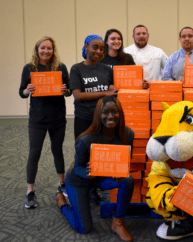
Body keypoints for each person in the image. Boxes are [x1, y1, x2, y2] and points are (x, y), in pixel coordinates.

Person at [56, 96, 135, 242]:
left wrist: (120, 173)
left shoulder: (128, 134)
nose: (110, 116)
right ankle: (62, 204)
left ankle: (118, 223)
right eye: (105, 112)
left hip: (102, 177)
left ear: (121, 113)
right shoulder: (86, 139)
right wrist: (86, 173)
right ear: (99, 114)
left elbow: (125, 161)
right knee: (84, 228)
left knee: (127, 180)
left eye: (115, 112)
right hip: (79, 180)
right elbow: (76, 168)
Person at [19, 36, 71, 208]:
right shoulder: (30, 68)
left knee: (58, 151)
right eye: (43, 48)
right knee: (34, 153)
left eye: (49, 48)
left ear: (53, 50)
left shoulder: (61, 68)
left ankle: (62, 183)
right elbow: (22, 92)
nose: (46, 51)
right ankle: (30, 191)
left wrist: (65, 89)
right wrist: (27, 90)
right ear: (37, 50)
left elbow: (69, 91)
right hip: (37, 119)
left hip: (57, 118)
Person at [69, 35, 118, 203]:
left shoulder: (107, 69)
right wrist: (105, 93)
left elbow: (113, 91)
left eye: (101, 49)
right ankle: (81, 186)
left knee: (100, 154)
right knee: (83, 154)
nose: (98, 51)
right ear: (86, 47)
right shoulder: (76, 69)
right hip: (84, 118)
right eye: (95, 47)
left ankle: (94, 188)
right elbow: (78, 95)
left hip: (103, 120)